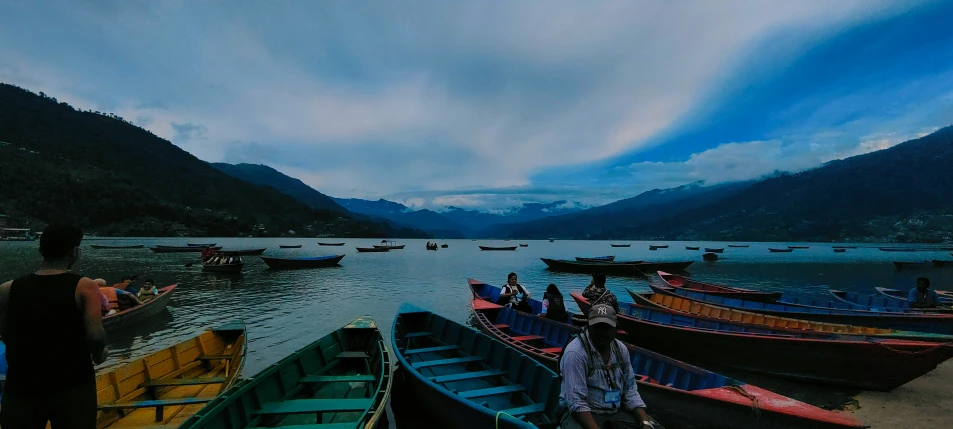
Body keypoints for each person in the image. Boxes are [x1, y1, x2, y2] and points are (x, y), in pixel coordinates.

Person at [0, 224, 108, 428]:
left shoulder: (8, 288)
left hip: (21, 386)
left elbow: (5, 334)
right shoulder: (85, 286)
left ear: (41, 251)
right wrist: (100, 354)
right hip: (72, 385)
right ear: (75, 252)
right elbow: (95, 336)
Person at [559, 304, 654, 429]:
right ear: (588, 327)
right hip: (583, 414)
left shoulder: (621, 350)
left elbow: (630, 392)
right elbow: (576, 402)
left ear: (615, 328)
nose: (602, 333)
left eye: (607, 328)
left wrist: (645, 423)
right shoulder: (576, 353)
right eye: (597, 328)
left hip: (615, 412)